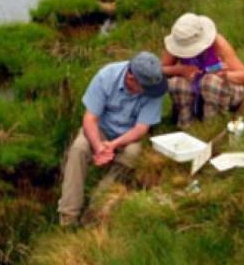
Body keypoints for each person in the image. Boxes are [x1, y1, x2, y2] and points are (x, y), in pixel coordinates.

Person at [57, 51, 167, 227]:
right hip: (101, 129)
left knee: (132, 155)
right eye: (145, 87)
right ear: (131, 78)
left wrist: (114, 144)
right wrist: (98, 146)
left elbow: (141, 128)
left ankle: (96, 208)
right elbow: (90, 119)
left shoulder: (156, 86)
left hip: (130, 135)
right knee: (79, 149)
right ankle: (69, 216)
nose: (150, 92)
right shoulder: (106, 76)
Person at [162, 13, 244, 127]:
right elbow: (161, 70)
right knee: (176, 83)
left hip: (222, 92)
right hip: (193, 93)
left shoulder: (217, 43)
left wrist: (225, 75)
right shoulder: (176, 44)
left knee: (209, 81)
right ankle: (186, 125)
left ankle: (213, 125)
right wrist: (179, 70)